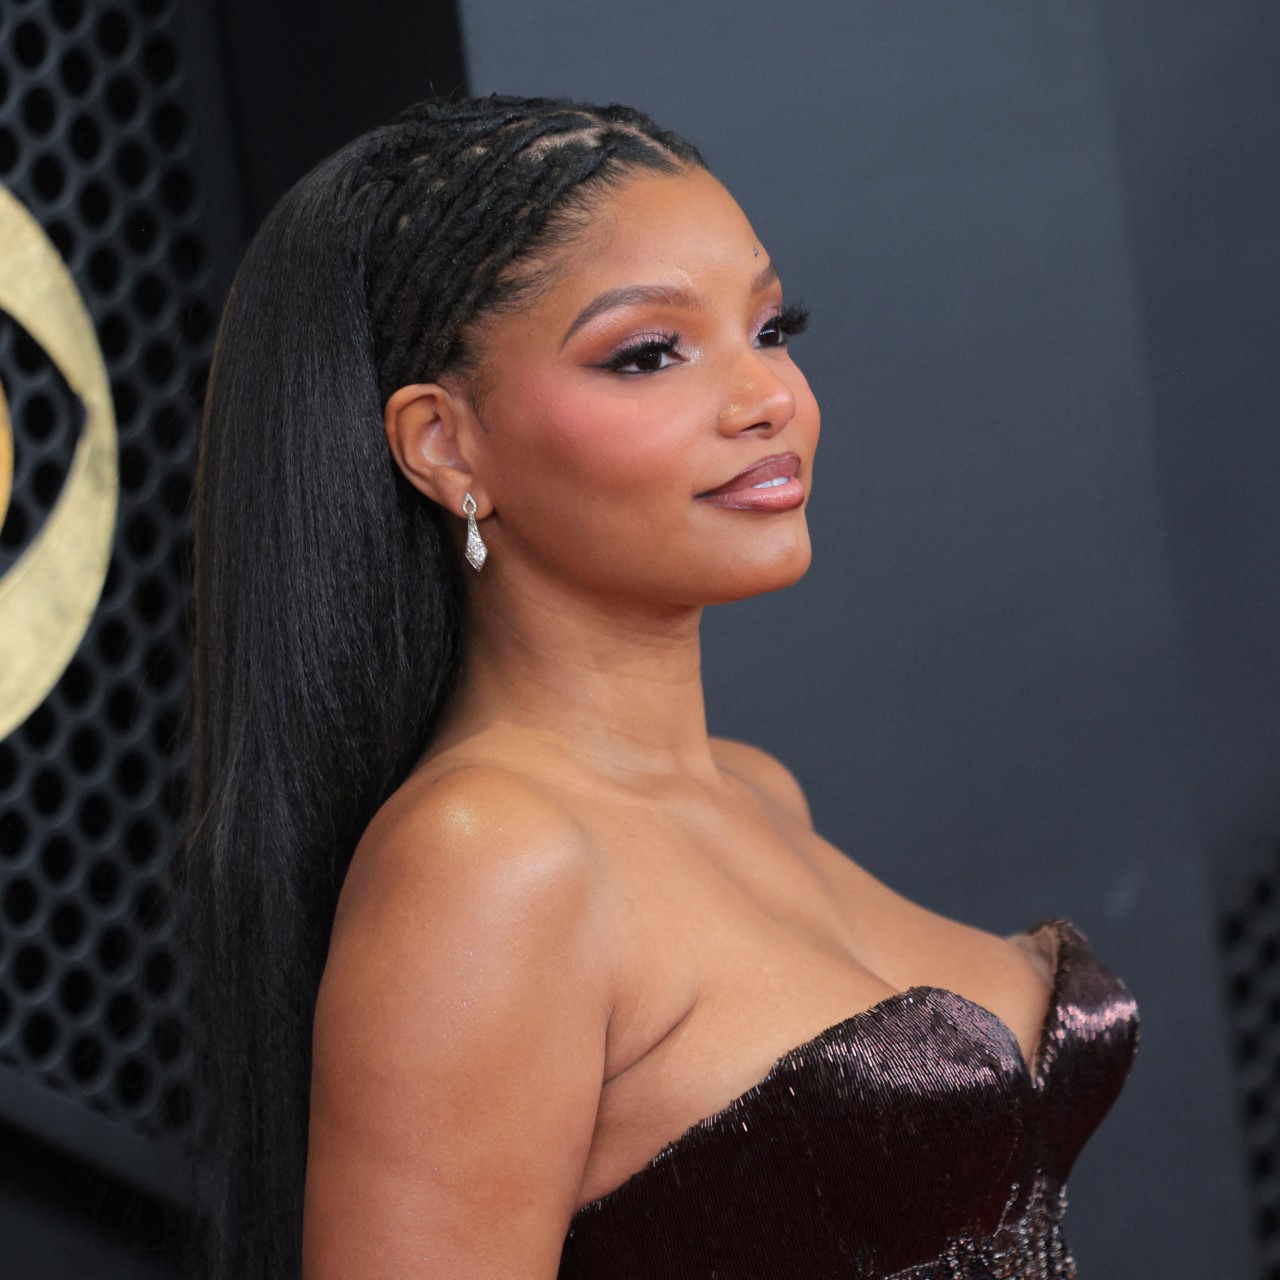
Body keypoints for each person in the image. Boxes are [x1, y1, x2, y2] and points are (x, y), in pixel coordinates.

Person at [184, 94, 1140, 1280]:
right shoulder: (490, 863)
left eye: (772, 328)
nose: (768, 401)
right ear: (445, 444)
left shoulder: (755, 792)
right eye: (648, 354)